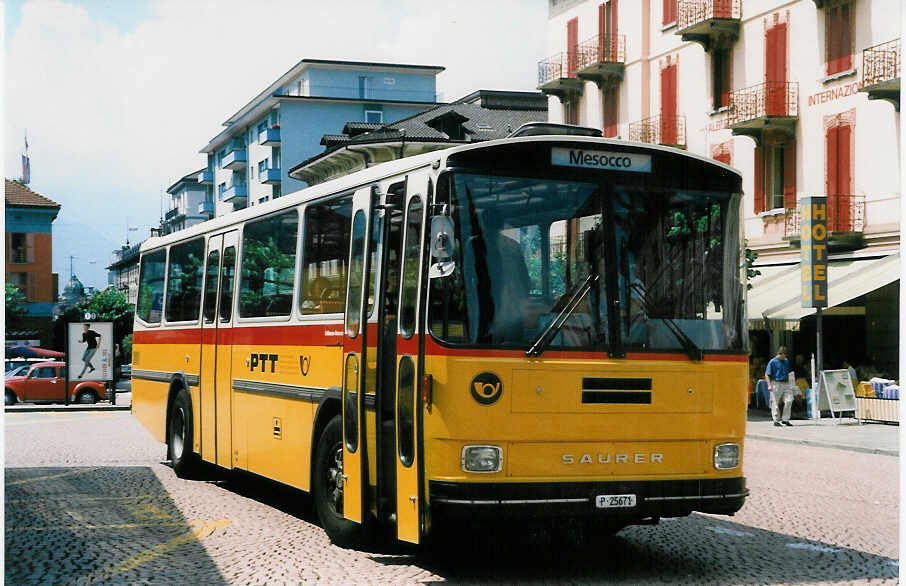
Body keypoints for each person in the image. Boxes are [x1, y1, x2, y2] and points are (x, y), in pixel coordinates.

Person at [764, 345, 794, 427]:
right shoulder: (772, 362)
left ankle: (785, 419)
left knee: (789, 400)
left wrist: (791, 382)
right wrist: (769, 385)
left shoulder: (786, 361)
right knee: (775, 402)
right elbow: (767, 374)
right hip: (776, 383)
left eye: (785, 355)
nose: (785, 357)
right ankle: (776, 420)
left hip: (786, 383)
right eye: (784, 355)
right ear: (780, 354)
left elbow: (788, 372)